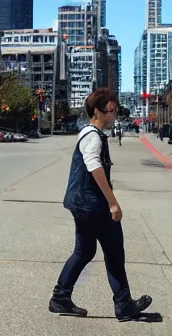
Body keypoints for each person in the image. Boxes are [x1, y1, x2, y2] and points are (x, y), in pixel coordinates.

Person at [49, 88, 152, 321]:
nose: (114, 115)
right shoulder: (92, 136)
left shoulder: (91, 133)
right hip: (92, 205)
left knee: (85, 251)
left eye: (115, 110)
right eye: (110, 111)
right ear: (97, 111)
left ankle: (60, 298)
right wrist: (113, 203)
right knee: (114, 249)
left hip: (84, 204)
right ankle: (123, 305)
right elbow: (94, 166)